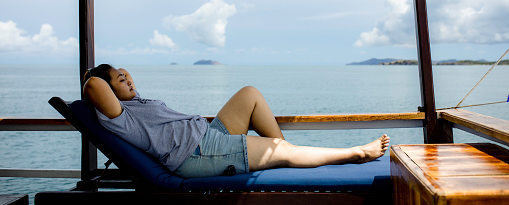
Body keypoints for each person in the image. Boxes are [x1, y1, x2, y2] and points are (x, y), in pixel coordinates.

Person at [83, 64, 390, 178]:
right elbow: (92, 86)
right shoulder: (119, 117)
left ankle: (286, 150)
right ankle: (357, 153)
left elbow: (114, 84)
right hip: (197, 154)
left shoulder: (134, 103)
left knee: (249, 93)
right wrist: (101, 78)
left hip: (208, 136)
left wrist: (121, 78)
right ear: (107, 91)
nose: (127, 78)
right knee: (277, 151)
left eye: (126, 75)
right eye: (119, 79)